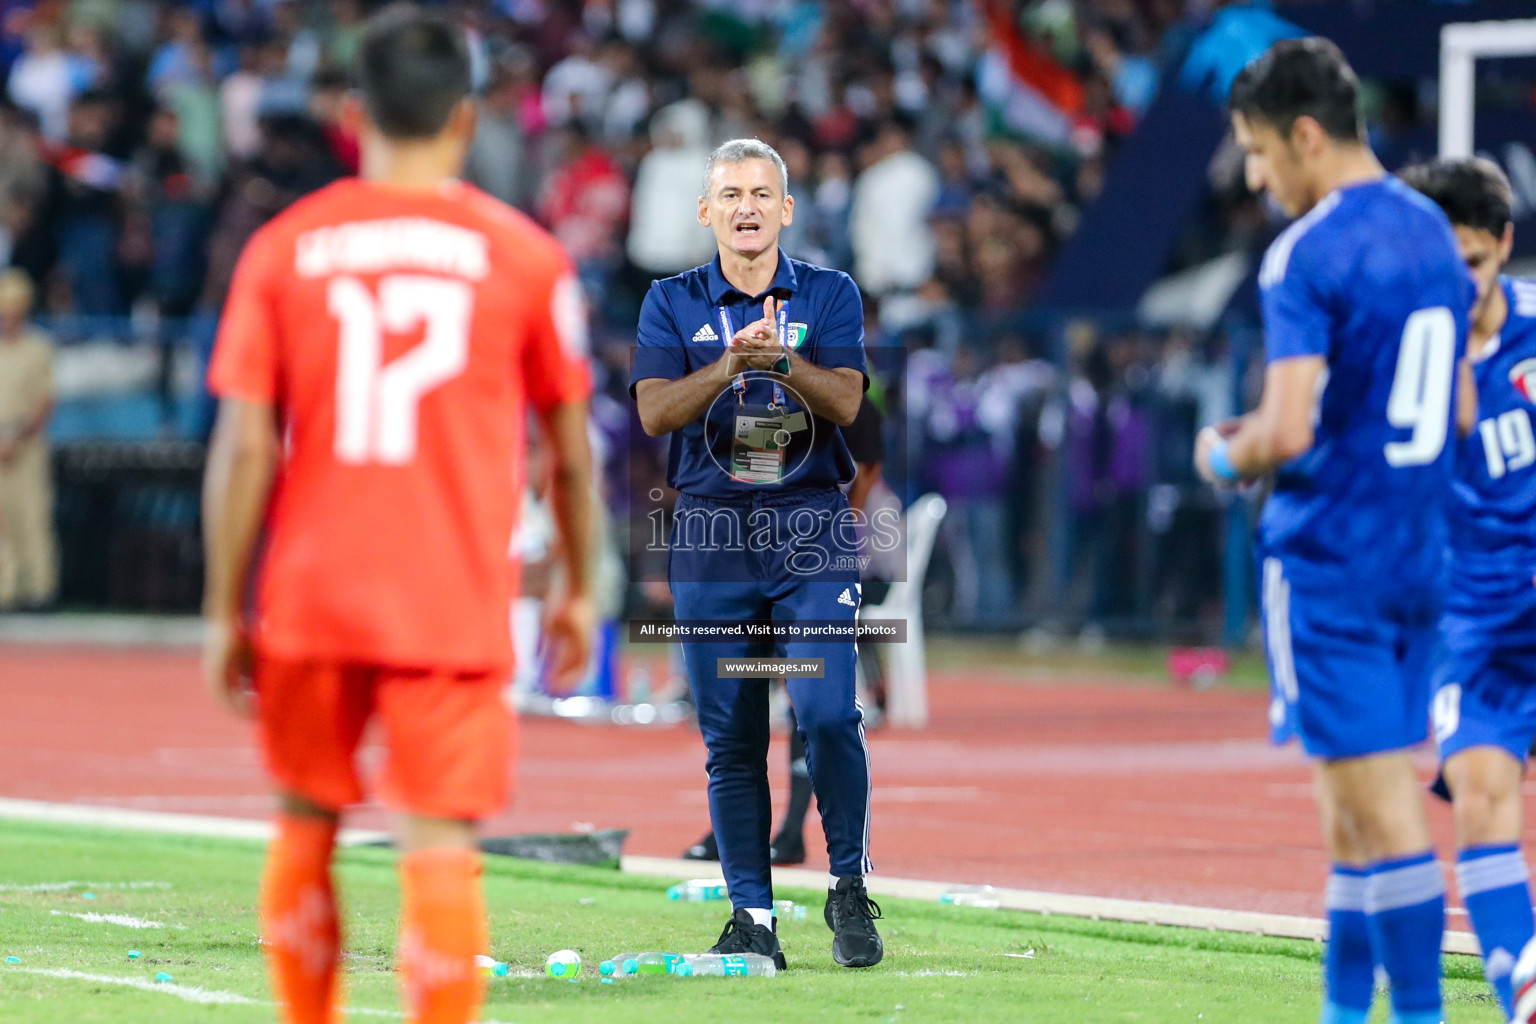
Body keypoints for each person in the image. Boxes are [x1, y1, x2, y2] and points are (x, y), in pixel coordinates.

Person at [201, 11, 594, 1024]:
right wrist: (584, 588)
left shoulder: (284, 251)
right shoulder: (525, 258)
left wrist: (220, 607)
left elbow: (244, 448)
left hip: (314, 590)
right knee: (440, 846)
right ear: (465, 118)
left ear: (349, 116)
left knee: (306, 821)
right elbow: (570, 451)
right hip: (450, 595)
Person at [1194, 39, 1472, 1024]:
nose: (1259, 180)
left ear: (1305, 136)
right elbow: (1465, 406)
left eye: (1261, 155)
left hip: (1335, 562)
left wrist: (1222, 454)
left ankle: (1421, 1013)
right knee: (1350, 815)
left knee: (1382, 815)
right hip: (1418, 556)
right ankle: (1346, 1013)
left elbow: (1288, 427)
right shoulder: (1434, 230)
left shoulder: (1305, 252)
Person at [631, 138, 883, 969]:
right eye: (730, 193)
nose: (746, 207)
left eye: (761, 193)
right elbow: (657, 413)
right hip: (712, 538)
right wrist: (729, 366)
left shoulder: (829, 292)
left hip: (809, 530)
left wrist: (783, 362)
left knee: (823, 712)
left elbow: (847, 399)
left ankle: (848, 886)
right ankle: (755, 921)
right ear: (706, 211)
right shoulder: (670, 301)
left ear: (786, 210)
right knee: (732, 735)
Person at [1399, 157, 1536, 1019]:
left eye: (1475, 263)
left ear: (1505, 247)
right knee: (1483, 794)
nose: (1460, 285)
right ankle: (1524, 990)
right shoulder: (1392, 365)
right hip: (1472, 627)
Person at [683, 394, 888, 866]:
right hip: (747, 558)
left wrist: (841, 532)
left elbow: (868, 462)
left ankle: (794, 829)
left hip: (819, 559)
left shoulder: (835, 385)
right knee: (741, 701)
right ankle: (738, 833)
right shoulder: (737, 390)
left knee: (809, 694)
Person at [0, 269, 56, 611]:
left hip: (26, 445)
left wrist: (14, 440)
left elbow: (45, 401)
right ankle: (5, 591)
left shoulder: (38, 349)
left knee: (32, 516)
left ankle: (38, 592)